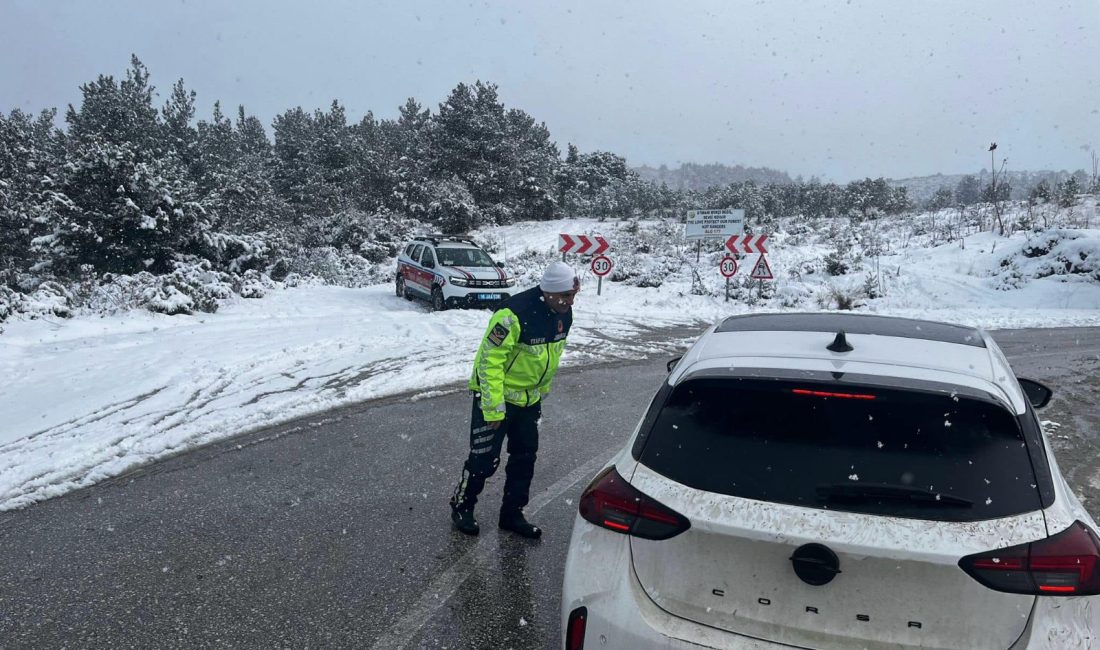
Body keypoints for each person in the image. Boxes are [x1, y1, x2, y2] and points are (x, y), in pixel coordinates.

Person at [449, 261, 580, 538]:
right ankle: (462, 505)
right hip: (495, 399)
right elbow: (489, 362)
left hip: (529, 402)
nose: (570, 301)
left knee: (524, 458)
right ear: (550, 292)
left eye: (573, 295)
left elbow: (550, 357)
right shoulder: (512, 314)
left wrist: (541, 392)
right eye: (566, 295)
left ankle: (512, 514)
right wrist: (493, 409)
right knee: (484, 460)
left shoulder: (564, 315)